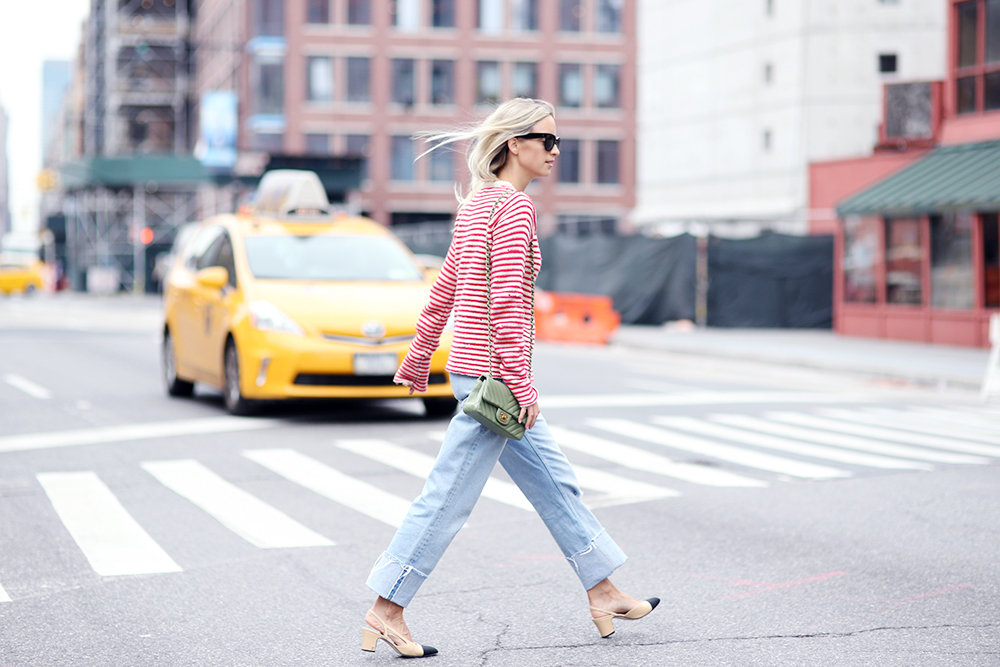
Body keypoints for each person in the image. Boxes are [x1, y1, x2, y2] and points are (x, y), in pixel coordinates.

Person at [361, 98, 658, 658]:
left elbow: (446, 286)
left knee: (554, 480)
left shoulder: (477, 205)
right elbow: (507, 301)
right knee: (447, 497)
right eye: (546, 140)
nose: (555, 151)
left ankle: (604, 589)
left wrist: (421, 353)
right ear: (514, 145)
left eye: (557, 141)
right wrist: (522, 386)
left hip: (472, 372)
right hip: (493, 382)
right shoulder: (514, 208)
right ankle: (386, 607)